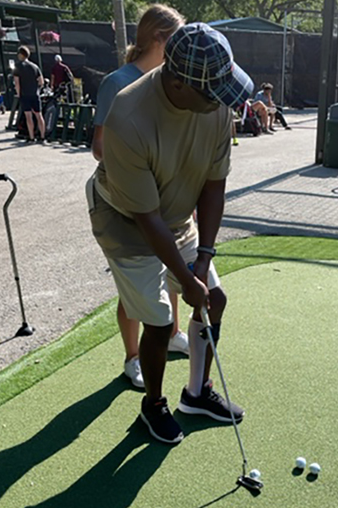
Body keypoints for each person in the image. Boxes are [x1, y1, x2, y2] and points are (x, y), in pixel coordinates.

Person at [86, 22, 254, 444]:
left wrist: (205, 257)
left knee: (214, 298)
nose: (223, 102)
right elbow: (146, 219)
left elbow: (213, 187)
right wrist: (185, 276)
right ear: (177, 82)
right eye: (213, 93)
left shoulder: (214, 104)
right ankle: (153, 405)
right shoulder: (128, 116)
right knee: (160, 322)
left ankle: (196, 394)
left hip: (175, 217)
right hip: (125, 221)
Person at [90, 4, 189, 390]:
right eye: (176, 40)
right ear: (159, 38)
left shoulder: (173, 80)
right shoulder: (119, 82)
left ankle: (173, 333)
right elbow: (100, 146)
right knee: (135, 286)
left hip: (166, 198)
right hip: (126, 200)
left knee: (171, 267)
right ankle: (133, 357)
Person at [14, 45, 46, 142]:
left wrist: (18, 94)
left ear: (20, 54)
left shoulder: (18, 67)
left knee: (28, 116)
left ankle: (32, 137)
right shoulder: (35, 66)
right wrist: (37, 89)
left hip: (25, 94)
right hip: (35, 94)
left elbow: (17, 82)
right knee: (39, 115)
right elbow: (41, 81)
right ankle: (42, 136)